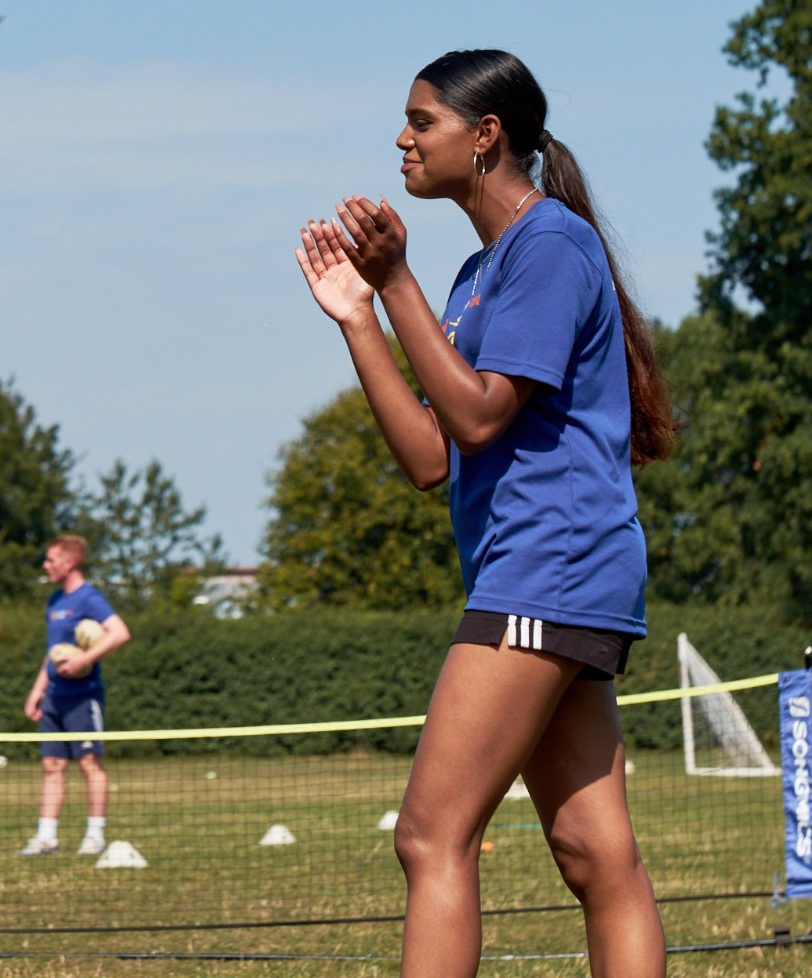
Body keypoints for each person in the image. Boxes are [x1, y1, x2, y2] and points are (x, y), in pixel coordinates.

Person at [295, 49, 677, 978]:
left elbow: (476, 413)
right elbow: (434, 456)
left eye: (422, 121)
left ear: (487, 134)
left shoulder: (548, 247)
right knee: (595, 854)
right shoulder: (479, 274)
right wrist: (359, 317)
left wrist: (395, 284)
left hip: (549, 567)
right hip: (562, 574)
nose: (403, 138)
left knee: (431, 837)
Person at [19, 535, 130, 856]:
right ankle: (46, 838)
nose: (46, 565)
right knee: (52, 765)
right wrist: (38, 690)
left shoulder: (88, 598)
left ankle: (95, 836)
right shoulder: (54, 601)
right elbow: (51, 653)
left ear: (69, 563)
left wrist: (85, 659)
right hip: (54, 697)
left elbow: (120, 632)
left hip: (84, 696)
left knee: (88, 764)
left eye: (51, 560)